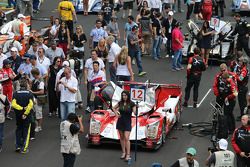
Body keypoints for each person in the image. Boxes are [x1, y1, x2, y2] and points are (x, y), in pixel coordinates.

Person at [213, 63, 238, 133]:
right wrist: (217, 94)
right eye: (221, 71)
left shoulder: (233, 76)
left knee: (228, 113)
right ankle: (218, 123)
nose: (222, 72)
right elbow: (215, 86)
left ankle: (231, 128)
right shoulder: (218, 76)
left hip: (229, 97)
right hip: (220, 96)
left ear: (226, 69)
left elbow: (235, 92)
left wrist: (228, 97)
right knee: (217, 109)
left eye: (224, 70)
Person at [112, 91, 136, 161]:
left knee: (126, 137)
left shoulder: (132, 103)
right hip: (120, 121)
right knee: (121, 137)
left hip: (128, 122)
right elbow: (113, 108)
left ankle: (128, 154)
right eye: (123, 95)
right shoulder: (120, 102)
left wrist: (136, 110)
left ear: (128, 96)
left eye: (125, 95)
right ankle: (123, 152)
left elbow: (134, 112)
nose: (124, 97)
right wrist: (116, 114)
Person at [12, 78, 34, 154]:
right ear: (26, 85)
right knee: (26, 131)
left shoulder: (15, 93)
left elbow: (13, 104)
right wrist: (25, 113)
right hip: (27, 116)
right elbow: (31, 105)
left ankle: (17, 146)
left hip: (18, 115)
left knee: (18, 129)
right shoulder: (29, 93)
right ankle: (24, 148)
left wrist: (21, 109)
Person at [30, 68, 45, 133]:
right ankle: (36, 125)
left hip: (39, 99)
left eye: (33, 74)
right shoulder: (34, 80)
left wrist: (32, 92)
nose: (32, 76)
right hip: (34, 99)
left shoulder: (41, 81)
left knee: (39, 113)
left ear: (35, 74)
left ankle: (39, 126)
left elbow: (42, 92)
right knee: (34, 113)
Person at [0, 84, 10, 152]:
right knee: (0, 132)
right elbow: (7, 106)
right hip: (1, 116)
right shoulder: (3, 97)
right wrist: (6, 114)